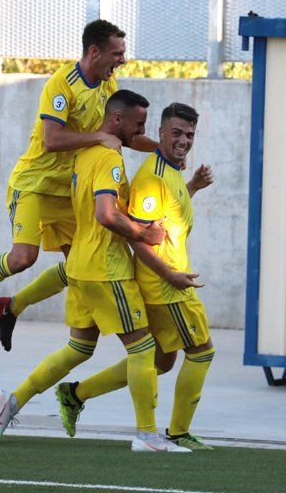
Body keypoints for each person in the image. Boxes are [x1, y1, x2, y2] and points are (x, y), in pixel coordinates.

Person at [0, 90, 188, 453]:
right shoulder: (110, 158)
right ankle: (147, 436)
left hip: (79, 265)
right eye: (138, 124)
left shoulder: (84, 154)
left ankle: (12, 403)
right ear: (117, 121)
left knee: (78, 349)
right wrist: (142, 233)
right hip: (106, 270)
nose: (141, 132)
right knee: (144, 349)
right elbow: (106, 214)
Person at [0, 20, 156, 350]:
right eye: (117, 53)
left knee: (78, 265)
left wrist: (164, 148)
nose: (122, 60)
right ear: (94, 51)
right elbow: (52, 140)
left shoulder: (109, 87)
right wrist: (98, 136)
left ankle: (11, 307)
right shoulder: (61, 85)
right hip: (35, 185)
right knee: (24, 257)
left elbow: (125, 136)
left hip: (69, 192)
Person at [53, 102, 217, 451]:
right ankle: (175, 433)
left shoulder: (172, 171)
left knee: (161, 360)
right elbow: (139, 237)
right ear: (159, 133)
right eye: (176, 133)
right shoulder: (151, 177)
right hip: (166, 286)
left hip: (169, 281)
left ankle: (76, 393)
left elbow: (166, 214)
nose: (184, 141)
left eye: (189, 135)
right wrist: (171, 275)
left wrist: (193, 187)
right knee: (201, 352)